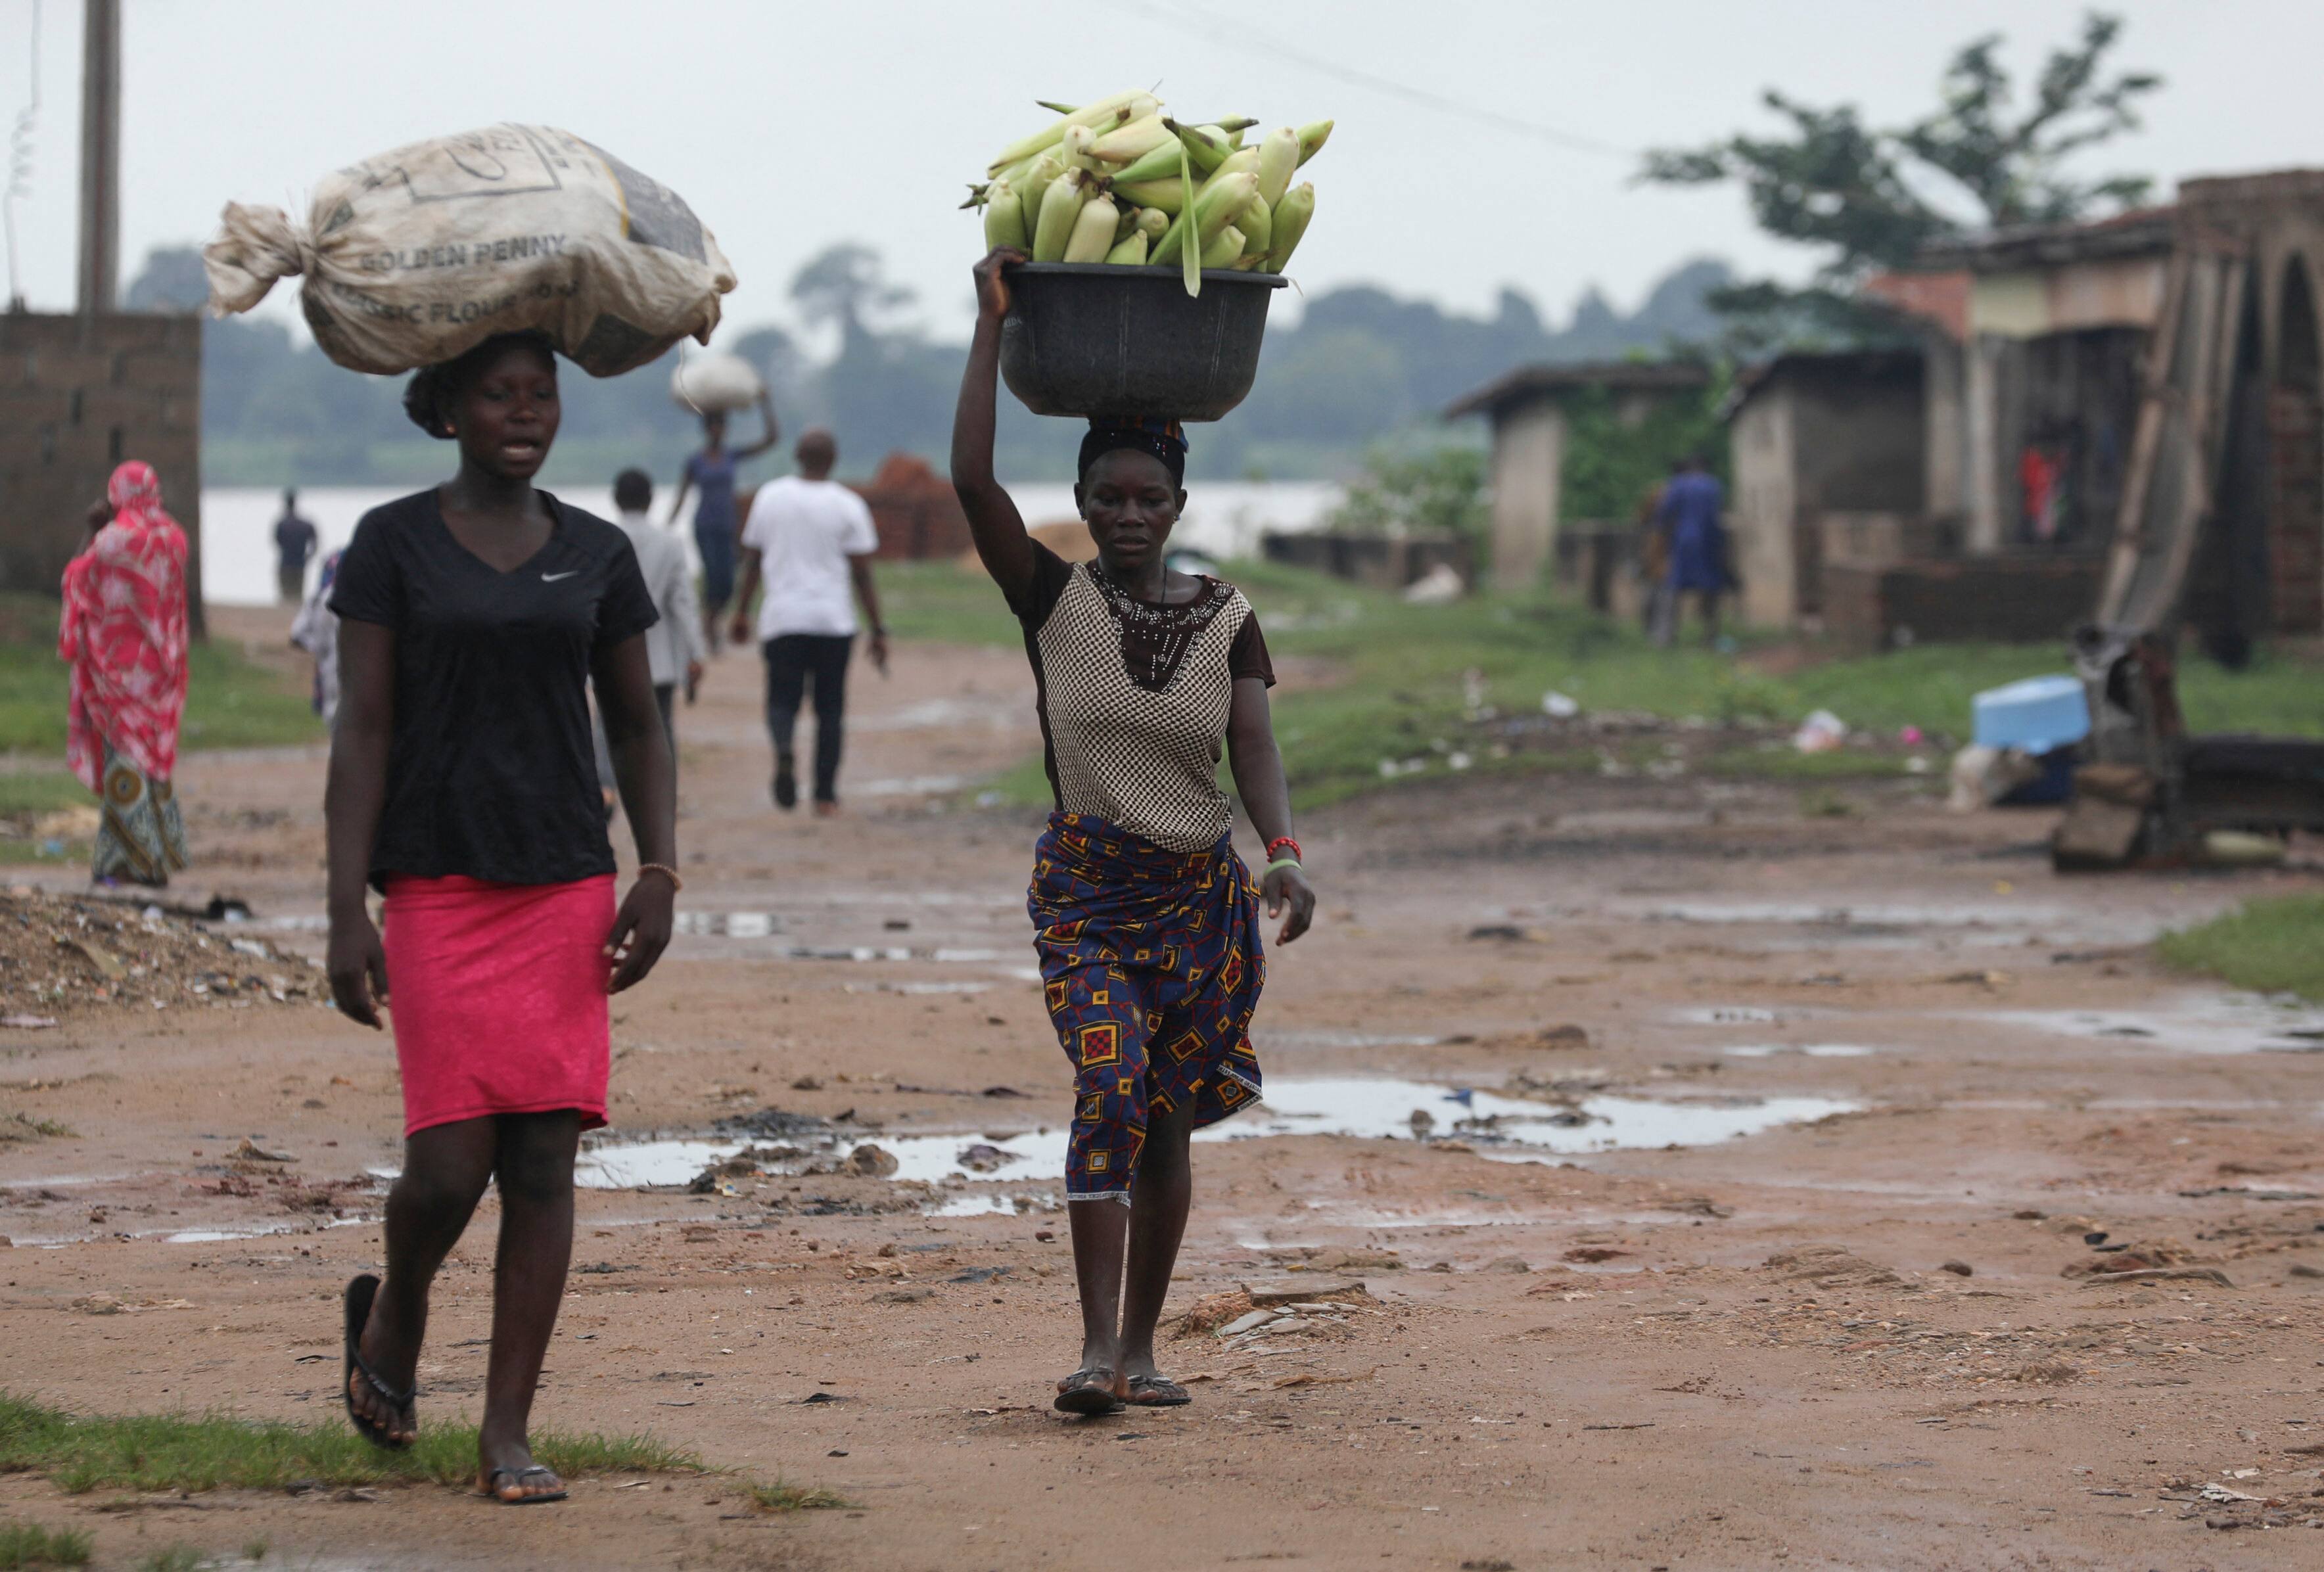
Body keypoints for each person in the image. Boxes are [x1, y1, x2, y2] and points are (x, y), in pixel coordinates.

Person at [950, 248, 1316, 1415]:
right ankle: (1096, 1348)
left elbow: (1250, 745)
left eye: (1145, 497)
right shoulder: (1054, 600)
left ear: (1177, 506)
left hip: (1199, 901)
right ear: (1079, 504)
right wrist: (986, 326)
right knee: (1110, 1085)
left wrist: (1285, 852)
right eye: (1104, 497)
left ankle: (1144, 1347)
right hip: (1089, 897)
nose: (1123, 516)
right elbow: (970, 482)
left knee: (1163, 1118)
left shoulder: (1227, 615)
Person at [324, 331, 677, 1506]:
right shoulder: (391, 546)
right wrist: (343, 907)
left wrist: (660, 868)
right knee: (443, 1166)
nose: (525, 412)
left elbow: (637, 723)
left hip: (566, 880)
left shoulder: (598, 553)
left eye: (542, 393)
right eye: (498, 393)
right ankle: (402, 1303)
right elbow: (362, 728)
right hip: (433, 885)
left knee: (540, 1158)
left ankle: (507, 1427)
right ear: (448, 411)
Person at [730, 428, 887, 814]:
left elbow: (752, 560)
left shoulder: (770, 497)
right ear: (832, 460)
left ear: (797, 457)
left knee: (782, 701)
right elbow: (863, 574)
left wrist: (741, 612)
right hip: (834, 622)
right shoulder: (848, 504)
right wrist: (878, 629)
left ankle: (784, 750)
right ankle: (825, 795)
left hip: (783, 619)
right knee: (830, 710)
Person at [58, 463, 190, 887]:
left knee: (126, 763)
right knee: (153, 764)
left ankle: (131, 864)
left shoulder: (114, 540)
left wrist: (94, 528)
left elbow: (77, 578)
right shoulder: (174, 537)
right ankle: (158, 856)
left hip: (120, 676)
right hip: (163, 674)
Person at [593, 468, 704, 806]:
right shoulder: (670, 543)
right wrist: (695, 653)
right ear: (651, 499)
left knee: (605, 723)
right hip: (659, 659)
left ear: (615, 498)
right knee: (661, 726)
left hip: (609, 655)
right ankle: (660, 793)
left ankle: (606, 789)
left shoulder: (601, 540)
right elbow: (683, 602)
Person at [666, 392, 779, 655]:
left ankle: (710, 621)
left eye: (722, 426)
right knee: (712, 577)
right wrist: (666, 527)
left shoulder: (732, 456)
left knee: (728, 581)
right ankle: (709, 630)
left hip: (728, 526)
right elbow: (682, 495)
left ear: (725, 430)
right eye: (714, 426)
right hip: (704, 526)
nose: (718, 431)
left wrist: (765, 404)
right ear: (707, 430)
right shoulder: (695, 461)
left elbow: (771, 440)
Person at [1654, 453, 1727, 647]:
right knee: (1710, 589)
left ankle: (1666, 637)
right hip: (1709, 541)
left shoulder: (1679, 484)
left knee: (1673, 588)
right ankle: (1710, 636)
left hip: (1685, 542)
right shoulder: (1713, 485)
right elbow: (1717, 513)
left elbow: (1664, 514)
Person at [290, 548, 346, 725]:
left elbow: (298, 635)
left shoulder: (320, 597)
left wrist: (321, 652)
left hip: (330, 669)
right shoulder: (369, 595)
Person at [273, 488, 319, 605]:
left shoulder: (281, 524)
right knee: (298, 597)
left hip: (286, 562)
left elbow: (277, 542)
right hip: (300, 562)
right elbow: (315, 542)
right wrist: (308, 556)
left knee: (285, 596)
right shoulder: (305, 524)